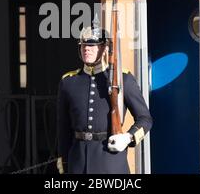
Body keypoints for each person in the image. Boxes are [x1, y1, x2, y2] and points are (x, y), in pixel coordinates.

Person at [56, 24, 152, 174]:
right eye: (83, 45)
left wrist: (128, 137)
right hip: (78, 163)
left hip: (111, 163)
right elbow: (63, 128)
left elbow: (145, 119)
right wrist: (64, 161)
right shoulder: (69, 82)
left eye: (92, 45)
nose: (86, 48)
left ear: (105, 48)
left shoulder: (122, 79)